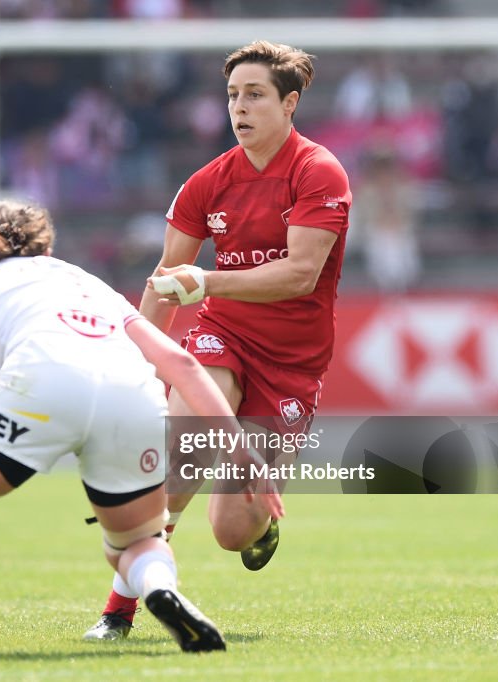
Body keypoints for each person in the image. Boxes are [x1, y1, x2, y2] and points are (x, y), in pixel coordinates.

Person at [0, 199, 284, 660]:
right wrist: (239, 446)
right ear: (45, 245)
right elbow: (180, 363)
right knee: (139, 540)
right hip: (132, 392)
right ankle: (161, 588)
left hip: (43, 383)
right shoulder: (85, 281)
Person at [84, 39, 351, 640]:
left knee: (233, 529)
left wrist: (205, 280)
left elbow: (299, 275)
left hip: (293, 362)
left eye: (255, 95)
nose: (240, 107)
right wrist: (138, 367)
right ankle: (119, 609)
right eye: (233, 95)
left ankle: (261, 523)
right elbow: (165, 277)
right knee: (185, 452)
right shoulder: (206, 182)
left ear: (290, 103)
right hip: (221, 334)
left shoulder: (318, 171)